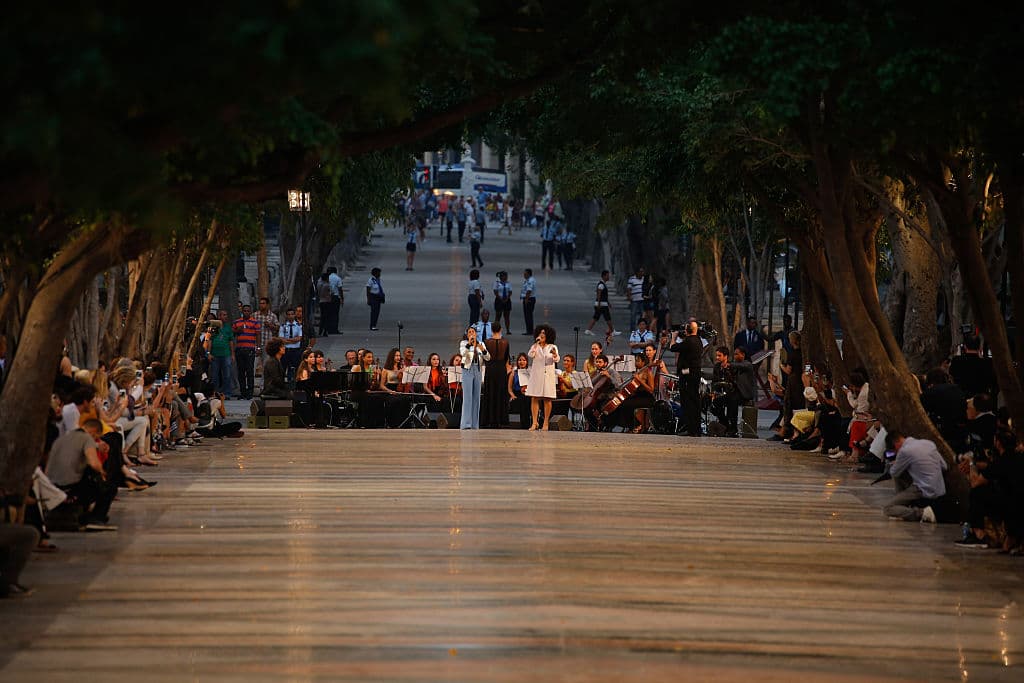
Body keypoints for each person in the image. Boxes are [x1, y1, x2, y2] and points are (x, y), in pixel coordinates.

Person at [45, 419, 117, 531]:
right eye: (96, 437)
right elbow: (94, 463)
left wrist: (97, 446)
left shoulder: (63, 438)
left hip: (51, 484)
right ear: (93, 432)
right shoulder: (87, 438)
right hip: (70, 487)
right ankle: (96, 518)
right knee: (109, 487)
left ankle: (84, 513)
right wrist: (103, 473)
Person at [882, 430, 948, 523]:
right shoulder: (929, 444)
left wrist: (896, 462)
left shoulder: (904, 451)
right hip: (939, 488)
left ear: (896, 445)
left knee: (888, 508)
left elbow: (893, 473)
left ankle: (922, 513)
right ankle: (905, 508)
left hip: (923, 489)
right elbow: (944, 466)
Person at [669, 321, 704, 436]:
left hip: (687, 375)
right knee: (694, 401)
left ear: (687, 330)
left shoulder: (689, 341)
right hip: (695, 374)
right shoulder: (698, 340)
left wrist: (673, 337)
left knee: (688, 402)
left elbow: (673, 347)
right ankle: (695, 429)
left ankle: (691, 429)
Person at [526, 324, 560, 430]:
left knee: (547, 399)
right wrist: (536, 344)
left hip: (547, 375)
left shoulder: (552, 347)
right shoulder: (535, 346)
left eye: (544, 333)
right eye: (540, 333)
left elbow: (557, 359)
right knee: (534, 398)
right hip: (537, 375)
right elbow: (530, 355)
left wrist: (554, 355)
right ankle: (535, 423)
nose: (542, 335)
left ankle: (546, 422)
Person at [459, 325, 490, 429]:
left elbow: (488, 357)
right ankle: (466, 424)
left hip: (477, 368)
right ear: (467, 334)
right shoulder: (464, 343)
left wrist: (483, 350)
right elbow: (463, 354)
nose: (471, 333)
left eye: (473, 332)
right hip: (467, 368)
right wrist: (469, 343)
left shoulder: (481, 344)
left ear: (476, 334)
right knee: (467, 397)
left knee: (476, 397)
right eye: (469, 332)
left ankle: (474, 424)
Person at [949, 334, 997, 400]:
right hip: (982, 399)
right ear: (980, 347)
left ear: (965, 347)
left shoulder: (956, 361)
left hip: (962, 398)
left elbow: (951, 376)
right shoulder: (988, 362)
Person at [481, 323, 511, 428]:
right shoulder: (506, 342)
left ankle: (489, 419)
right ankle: (500, 419)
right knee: (500, 394)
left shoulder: (486, 342)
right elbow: (506, 358)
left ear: (491, 329)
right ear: (501, 329)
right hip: (501, 370)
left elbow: (485, 357)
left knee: (490, 393)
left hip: (490, 369)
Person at [233, 304, 260, 400]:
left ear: (250, 312)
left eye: (248, 311)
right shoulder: (237, 322)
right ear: (242, 312)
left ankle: (250, 393)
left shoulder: (255, 322)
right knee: (241, 372)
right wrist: (237, 330)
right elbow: (233, 333)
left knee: (249, 371)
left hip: (250, 349)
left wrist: (258, 348)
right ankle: (243, 392)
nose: (246, 312)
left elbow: (258, 335)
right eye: (244, 311)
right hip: (240, 349)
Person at [585, 270, 619, 339]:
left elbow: (604, 296)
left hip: (603, 304)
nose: (608, 277)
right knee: (607, 318)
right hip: (602, 305)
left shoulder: (603, 284)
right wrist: (599, 304)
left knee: (596, 318)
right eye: (607, 275)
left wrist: (608, 303)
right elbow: (599, 294)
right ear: (603, 276)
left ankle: (588, 330)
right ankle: (613, 331)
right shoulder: (601, 285)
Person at [208, 313, 234, 398]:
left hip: (226, 354)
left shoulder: (228, 328)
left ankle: (227, 393)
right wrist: (209, 353)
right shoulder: (213, 328)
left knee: (227, 374)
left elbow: (231, 341)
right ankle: (214, 393)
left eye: (226, 315)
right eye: (223, 315)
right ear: (219, 317)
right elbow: (209, 340)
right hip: (215, 354)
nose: (226, 316)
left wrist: (232, 354)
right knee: (214, 375)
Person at [508, 352, 532, 429]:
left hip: (528, 393)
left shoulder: (530, 373)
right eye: (520, 360)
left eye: (524, 360)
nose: (522, 362)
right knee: (522, 401)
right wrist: (512, 395)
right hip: (517, 394)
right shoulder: (514, 373)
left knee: (528, 400)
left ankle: (530, 424)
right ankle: (524, 425)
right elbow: (509, 388)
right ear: (517, 362)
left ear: (527, 362)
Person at [279, 308, 303, 382]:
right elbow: (281, 339)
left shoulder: (299, 325)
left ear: (294, 315)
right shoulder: (283, 326)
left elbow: (299, 338)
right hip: (286, 350)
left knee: (294, 369)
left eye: (292, 314)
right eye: (288, 314)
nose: (290, 316)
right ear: (286, 316)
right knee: (283, 369)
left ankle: (293, 385)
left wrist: (288, 340)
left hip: (295, 350)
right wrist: (293, 340)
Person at [366, 267, 385, 331]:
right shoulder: (371, 280)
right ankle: (372, 325)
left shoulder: (377, 280)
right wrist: (368, 299)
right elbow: (368, 290)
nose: (380, 274)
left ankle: (374, 324)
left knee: (377, 312)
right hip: (373, 297)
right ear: (376, 273)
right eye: (379, 273)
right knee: (374, 312)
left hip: (378, 297)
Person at [326, 267, 344, 334]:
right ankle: (334, 329)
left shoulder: (327, 278)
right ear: (336, 271)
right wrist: (342, 298)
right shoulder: (338, 278)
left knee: (329, 313)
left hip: (327, 297)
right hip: (335, 298)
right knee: (335, 314)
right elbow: (340, 289)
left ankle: (328, 329)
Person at [521, 269, 536, 336]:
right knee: (528, 315)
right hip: (529, 298)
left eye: (525, 273)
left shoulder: (530, 281)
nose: (524, 275)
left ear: (528, 274)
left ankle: (530, 331)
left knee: (528, 315)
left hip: (529, 299)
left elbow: (529, 290)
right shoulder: (528, 280)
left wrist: (526, 299)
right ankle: (529, 329)